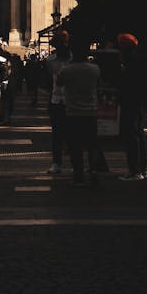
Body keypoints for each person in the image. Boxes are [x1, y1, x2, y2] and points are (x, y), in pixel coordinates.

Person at [56, 35, 102, 186]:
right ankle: (94, 170)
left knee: (75, 146)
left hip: (73, 113)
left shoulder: (67, 70)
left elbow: (59, 83)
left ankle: (79, 174)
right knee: (91, 144)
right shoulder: (94, 69)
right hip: (90, 112)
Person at [117, 32, 147, 181]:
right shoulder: (139, 60)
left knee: (131, 134)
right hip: (138, 101)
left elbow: (126, 82)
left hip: (130, 101)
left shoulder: (130, 62)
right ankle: (143, 169)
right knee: (139, 134)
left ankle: (134, 170)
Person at [45, 29, 71, 174]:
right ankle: (57, 162)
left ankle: (74, 162)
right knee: (57, 135)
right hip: (57, 100)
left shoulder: (74, 60)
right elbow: (49, 82)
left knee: (73, 134)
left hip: (71, 101)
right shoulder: (50, 61)